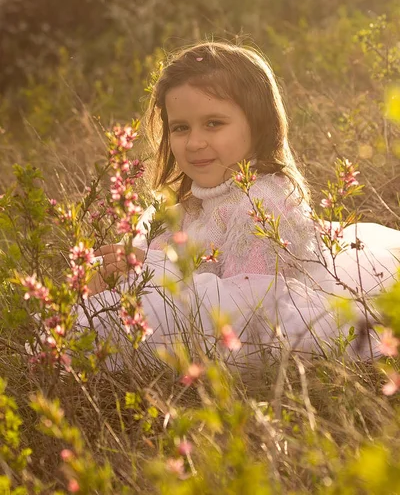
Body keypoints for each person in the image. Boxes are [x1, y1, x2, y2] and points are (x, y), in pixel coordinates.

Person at [79, 41, 400, 366]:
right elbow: (174, 261)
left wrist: (152, 271)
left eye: (214, 123)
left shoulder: (262, 204)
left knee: (130, 322)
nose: (195, 143)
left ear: (258, 124)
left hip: (271, 319)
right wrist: (125, 271)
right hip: (219, 309)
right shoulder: (190, 205)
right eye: (180, 128)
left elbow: (249, 307)